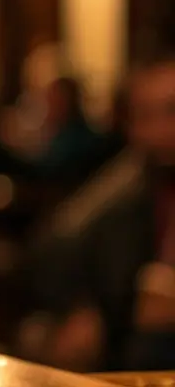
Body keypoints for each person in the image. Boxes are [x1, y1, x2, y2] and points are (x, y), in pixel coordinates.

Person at [21, 54, 175, 370]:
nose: (162, 130)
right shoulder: (134, 180)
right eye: (145, 116)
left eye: (172, 111)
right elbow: (57, 242)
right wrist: (86, 307)